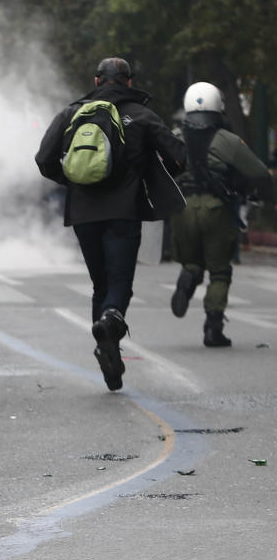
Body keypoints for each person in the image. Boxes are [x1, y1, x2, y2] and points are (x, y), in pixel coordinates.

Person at [35, 57, 186, 391]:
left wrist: (74, 180)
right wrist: (150, 175)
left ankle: (109, 356)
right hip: (124, 211)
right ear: (129, 82)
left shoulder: (72, 112)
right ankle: (111, 320)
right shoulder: (142, 115)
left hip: (83, 214)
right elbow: (179, 156)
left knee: (99, 285)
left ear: (96, 80)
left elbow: (43, 159)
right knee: (119, 284)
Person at [169, 82, 275, 346]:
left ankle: (190, 273)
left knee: (192, 260)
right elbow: (260, 173)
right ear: (219, 107)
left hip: (182, 208)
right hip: (216, 209)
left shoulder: (173, 137)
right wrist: (270, 200)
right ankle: (212, 328)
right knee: (219, 271)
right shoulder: (228, 141)